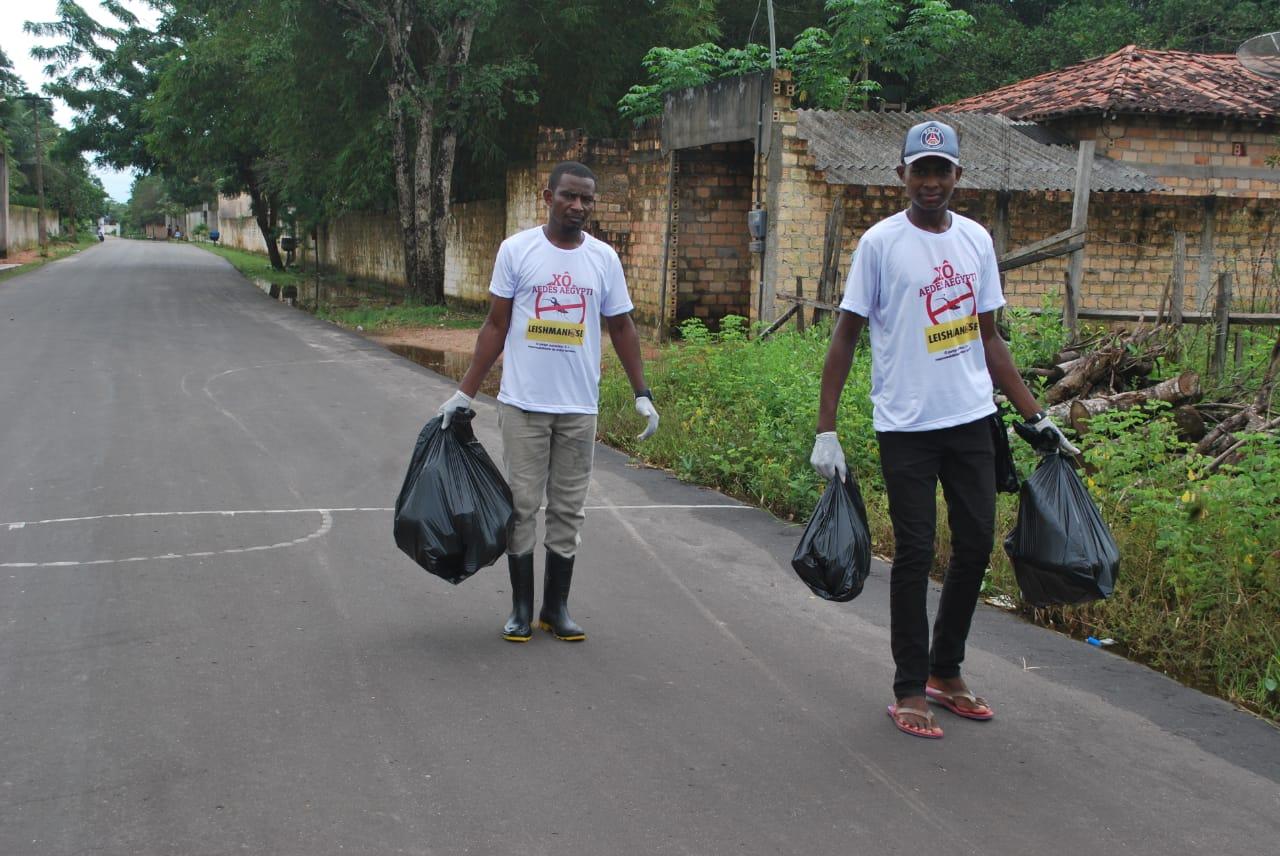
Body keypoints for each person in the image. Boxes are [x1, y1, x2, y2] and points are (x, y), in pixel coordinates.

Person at [809, 121, 1080, 739]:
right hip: (905, 424)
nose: (931, 181)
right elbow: (845, 338)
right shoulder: (880, 244)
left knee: (976, 544)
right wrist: (827, 429)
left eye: (942, 170)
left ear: (959, 176)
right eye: (920, 169)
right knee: (913, 552)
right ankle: (908, 687)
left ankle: (945, 670)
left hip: (972, 420)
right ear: (900, 175)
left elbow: (990, 338)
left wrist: (1036, 419)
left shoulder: (976, 242)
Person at [437, 161, 659, 643]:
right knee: (521, 507)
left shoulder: (603, 259)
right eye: (569, 197)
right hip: (523, 406)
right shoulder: (517, 251)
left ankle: (554, 609)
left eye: (586, 199)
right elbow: (495, 326)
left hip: (580, 409)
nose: (578, 206)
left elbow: (621, 326)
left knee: (567, 510)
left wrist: (642, 393)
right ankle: (520, 609)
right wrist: (464, 393)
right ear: (548, 196)